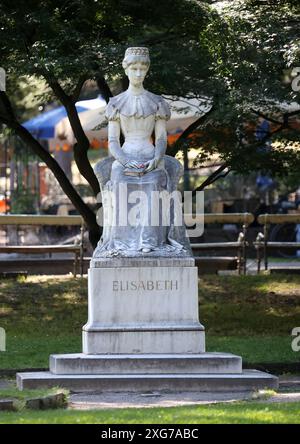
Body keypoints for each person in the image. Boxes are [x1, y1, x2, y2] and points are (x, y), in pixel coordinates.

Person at [93, 47, 191, 258]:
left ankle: (150, 241)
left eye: (142, 69)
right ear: (126, 70)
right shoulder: (117, 103)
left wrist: (156, 159)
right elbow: (112, 140)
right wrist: (125, 161)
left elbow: (162, 138)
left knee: (156, 181)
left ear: (147, 71)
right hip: (125, 158)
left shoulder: (156, 102)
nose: (138, 73)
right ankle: (121, 242)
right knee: (118, 177)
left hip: (150, 158)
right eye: (134, 68)